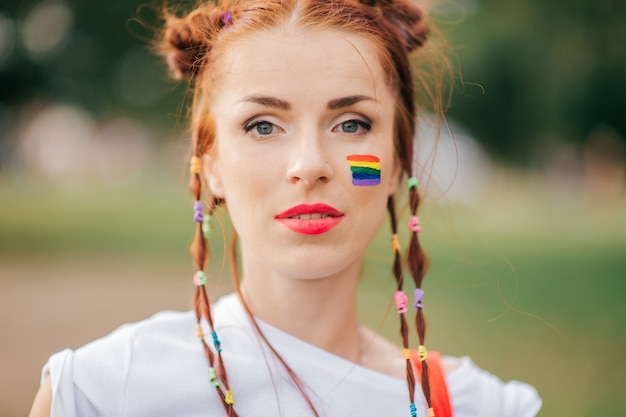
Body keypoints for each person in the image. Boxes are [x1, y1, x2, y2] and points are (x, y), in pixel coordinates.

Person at [29, 0, 542, 416]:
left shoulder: (481, 407)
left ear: (395, 161)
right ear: (211, 165)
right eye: (262, 126)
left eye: (352, 124)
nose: (310, 165)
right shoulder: (100, 392)